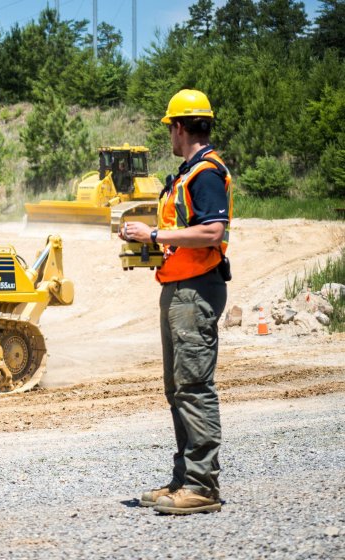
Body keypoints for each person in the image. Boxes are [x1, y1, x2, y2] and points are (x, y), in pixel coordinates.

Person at [120, 88, 233, 515]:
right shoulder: (186, 174)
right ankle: (185, 478)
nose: (169, 134)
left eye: (170, 127)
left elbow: (211, 232)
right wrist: (147, 243)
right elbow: (186, 231)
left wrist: (153, 235)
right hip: (181, 286)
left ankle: (202, 486)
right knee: (177, 387)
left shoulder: (204, 173)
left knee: (193, 386)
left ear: (180, 127)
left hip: (196, 289)